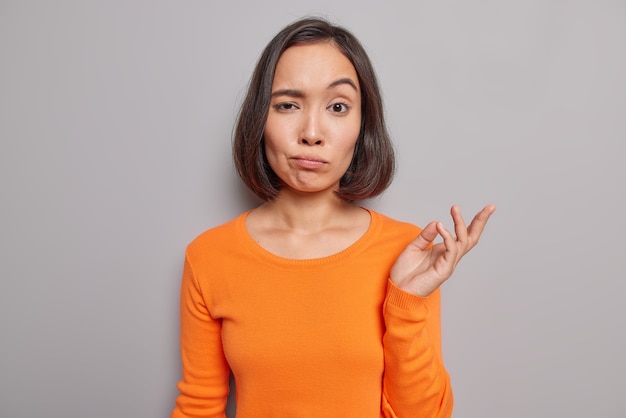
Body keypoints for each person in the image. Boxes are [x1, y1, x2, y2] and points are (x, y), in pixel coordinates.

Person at [171, 16, 495, 418]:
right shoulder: (210, 256)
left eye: (338, 107)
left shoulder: (407, 252)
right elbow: (198, 408)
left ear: (363, 124)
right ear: (260, 119)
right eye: (288, 105)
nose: (311, 131)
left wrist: (406, 302)